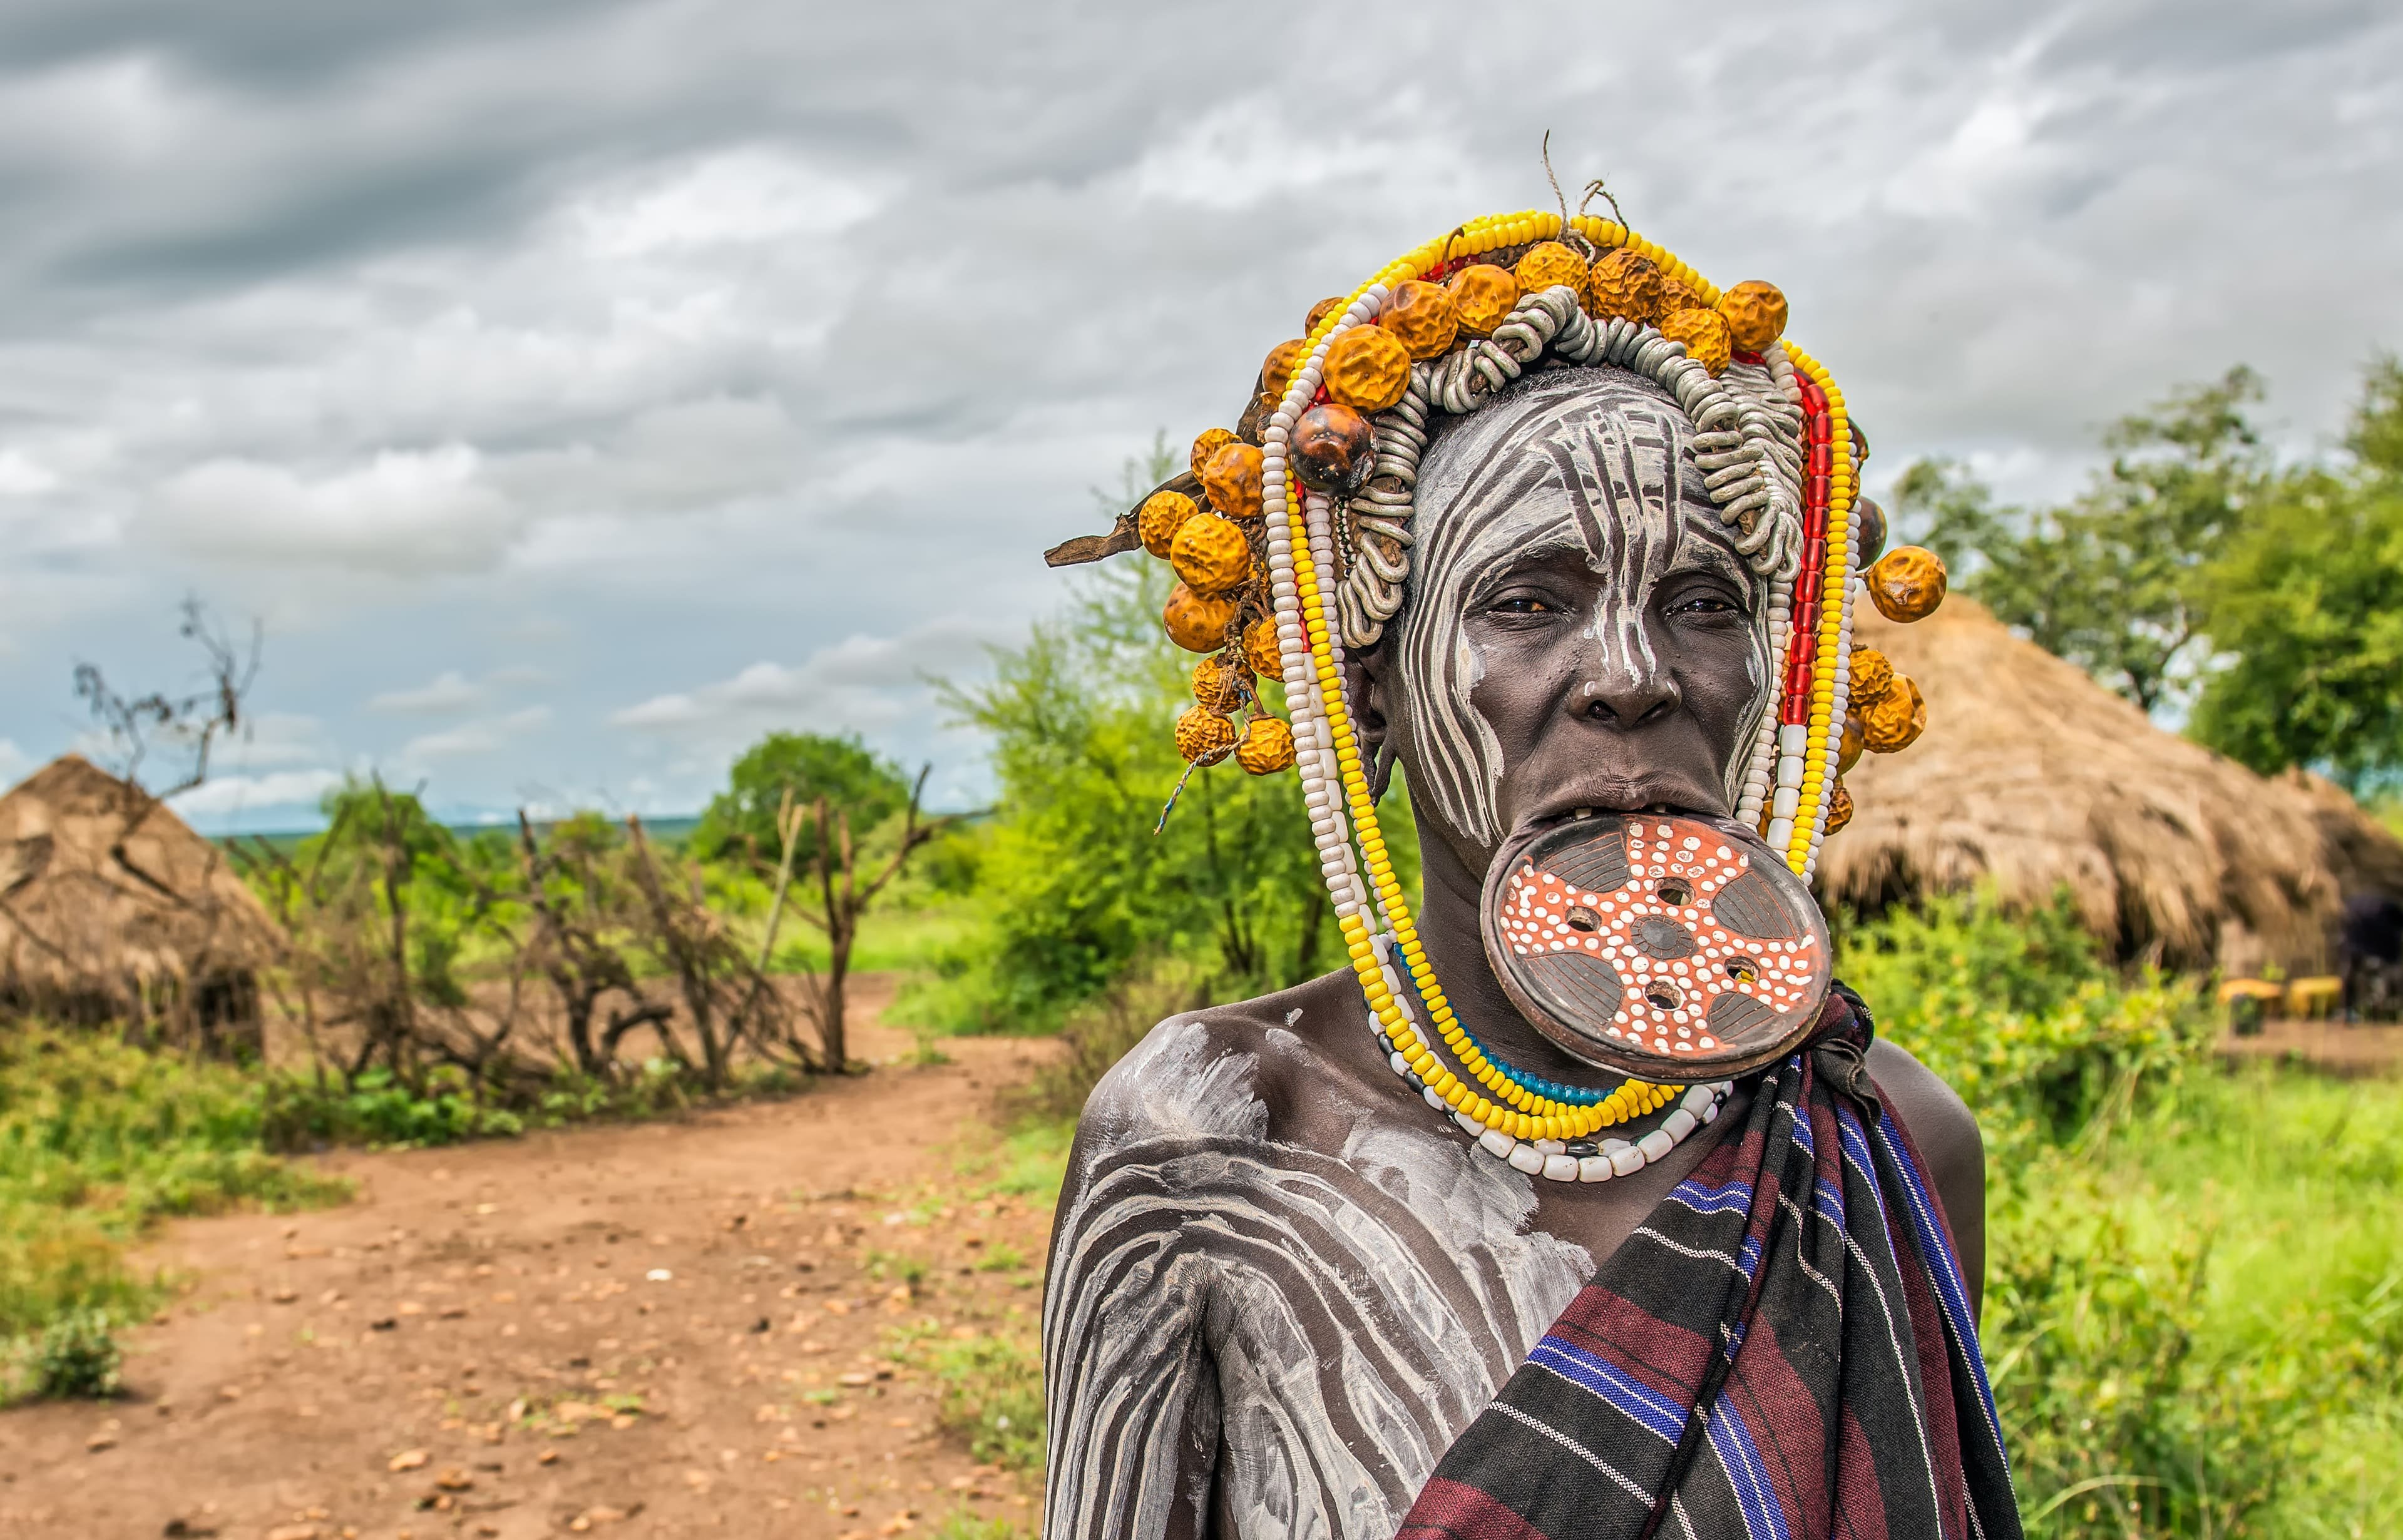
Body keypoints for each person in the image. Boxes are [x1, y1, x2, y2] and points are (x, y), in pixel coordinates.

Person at [1038, 207, 2019, 1539]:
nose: (1633, 671)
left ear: (1776, 685)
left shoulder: (1893, 1142)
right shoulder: (1205, 1139)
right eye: (1527, 602)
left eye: (1706, 602)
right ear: (1368, 689)